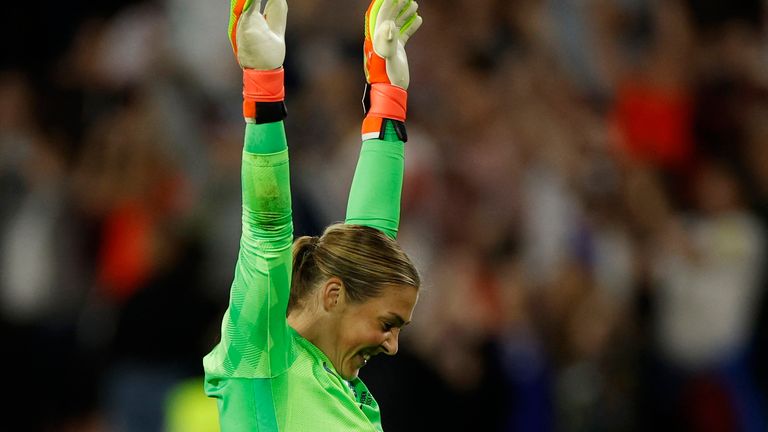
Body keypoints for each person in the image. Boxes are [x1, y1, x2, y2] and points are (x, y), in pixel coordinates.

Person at [203, 0, 423, 430]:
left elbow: (371, 239)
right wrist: (263, 87)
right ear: (333, 295)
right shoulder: (263, 358)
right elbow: (266, 229)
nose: (393, 345)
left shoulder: (341, 386)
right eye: (387, 324)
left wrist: (387, 96)